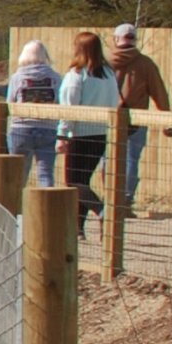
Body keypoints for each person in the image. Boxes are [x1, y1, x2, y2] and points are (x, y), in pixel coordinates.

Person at [111, 23, 172, 213]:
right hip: (136, 119)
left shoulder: (103, 62)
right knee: (130, 161)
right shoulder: (145, 64)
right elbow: (159, 92)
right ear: (135, 39)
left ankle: (111, 200)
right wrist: (167, 122)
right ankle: (125, 202)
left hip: (107, 119)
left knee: (108, 160)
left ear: (116, 39)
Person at [59, 30, 117, 229]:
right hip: (101, 133)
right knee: (83, 180)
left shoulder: (76, 75)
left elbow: (69, 106)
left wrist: (63, 134)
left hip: (80, 133)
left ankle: (102, 211)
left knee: (74, 182)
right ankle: (78, 228)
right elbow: (116, 101)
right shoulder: (109, 75)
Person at [2, 39, 62, 186]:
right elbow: (60, 101)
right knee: (46, 173)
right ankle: (47, 206)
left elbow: (9, 102)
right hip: (48, 128)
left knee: (18, 173)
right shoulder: (56, 77)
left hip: (21, 128)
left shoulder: (17, 77)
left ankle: (16, 207)